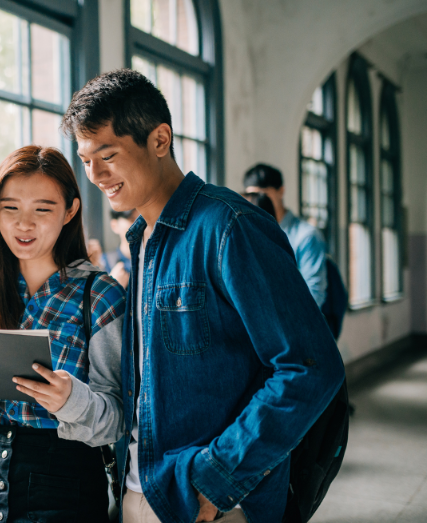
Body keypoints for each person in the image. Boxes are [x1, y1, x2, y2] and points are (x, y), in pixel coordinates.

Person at [62, 69, 345, 523]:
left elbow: (310, 367)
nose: (94, 174)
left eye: (107, 155)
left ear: (159, 139)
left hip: (212, 502)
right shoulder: (141, 240)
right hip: (141, 491)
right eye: (85, 158)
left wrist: (217, 479)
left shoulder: (230, 227)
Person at [0, 145, 127, 523]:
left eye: (42, 210)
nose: (24, 224)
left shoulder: (100, 294)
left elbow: (119, 419)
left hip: (67, 484)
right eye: (10, 208)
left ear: (70, 211)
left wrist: (70, 400)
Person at [243, 164, 328, 307]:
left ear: (281, 191)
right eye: (251, 196)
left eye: (263, 195)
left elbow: (314, 296)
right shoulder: (248, 235)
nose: (256, 202)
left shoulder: (306, 237)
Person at [88, 209, 140, 289]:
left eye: (141, 220)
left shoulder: (153, 261)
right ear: (114, 225)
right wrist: (112, 286)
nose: (139, 225)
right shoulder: (103, 263)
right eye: (132, 219)